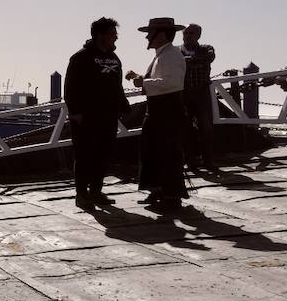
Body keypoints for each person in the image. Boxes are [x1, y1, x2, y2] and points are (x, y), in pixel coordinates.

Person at [64, 17, 130, 208]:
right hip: (85, 117)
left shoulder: (114, 59)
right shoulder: (80, 58)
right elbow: (70, 87)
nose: (115, 37)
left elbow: (118, 86)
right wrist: (75, 111)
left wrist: (124, 106)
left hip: (108, 116)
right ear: (99, 35)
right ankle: (82, 194)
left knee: (103, 155)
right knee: (85, 155)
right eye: (112, 34)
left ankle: (96, 191)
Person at [127, 17, 188, 211]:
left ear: (160, 34)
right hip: (158, 109)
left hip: (168, 110)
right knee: (152, 150)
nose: (146, 37)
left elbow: (173, 83)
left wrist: (142, 83)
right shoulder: (163, 54)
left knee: (168, 153)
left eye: (149, 33)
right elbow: (162, 81)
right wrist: (142, 79)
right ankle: (159, 190)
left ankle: (171, 196)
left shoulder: (172, 55)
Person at [181, 23, 217, 170]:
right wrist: (192, 61)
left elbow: (209, 57)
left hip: (202, 93)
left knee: (206, 128)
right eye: (185, 33)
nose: (188, 36)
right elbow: (176, 65)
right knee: (185, 129)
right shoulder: (177, 51)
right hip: (184, 93)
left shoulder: (207, 48)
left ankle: (208, 160)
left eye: (191, 33)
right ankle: (190, 160)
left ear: (198, 35)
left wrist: (188, 61)